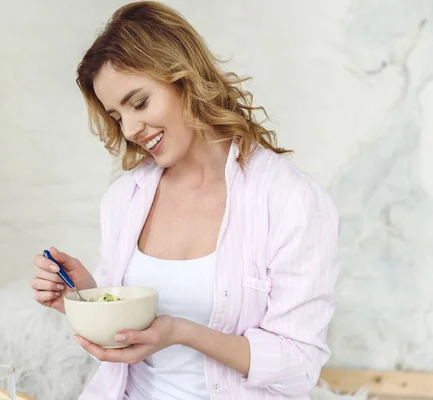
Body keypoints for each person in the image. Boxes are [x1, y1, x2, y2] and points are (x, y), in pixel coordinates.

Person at [31, 1, 340, 399]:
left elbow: (299, 365)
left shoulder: (290, 201)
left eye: (139, 103)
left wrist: (182, 333)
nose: (130, 130)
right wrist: (86, 298)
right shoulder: (125, 199)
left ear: (185, 79)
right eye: (117, 115)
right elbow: (121, 348)